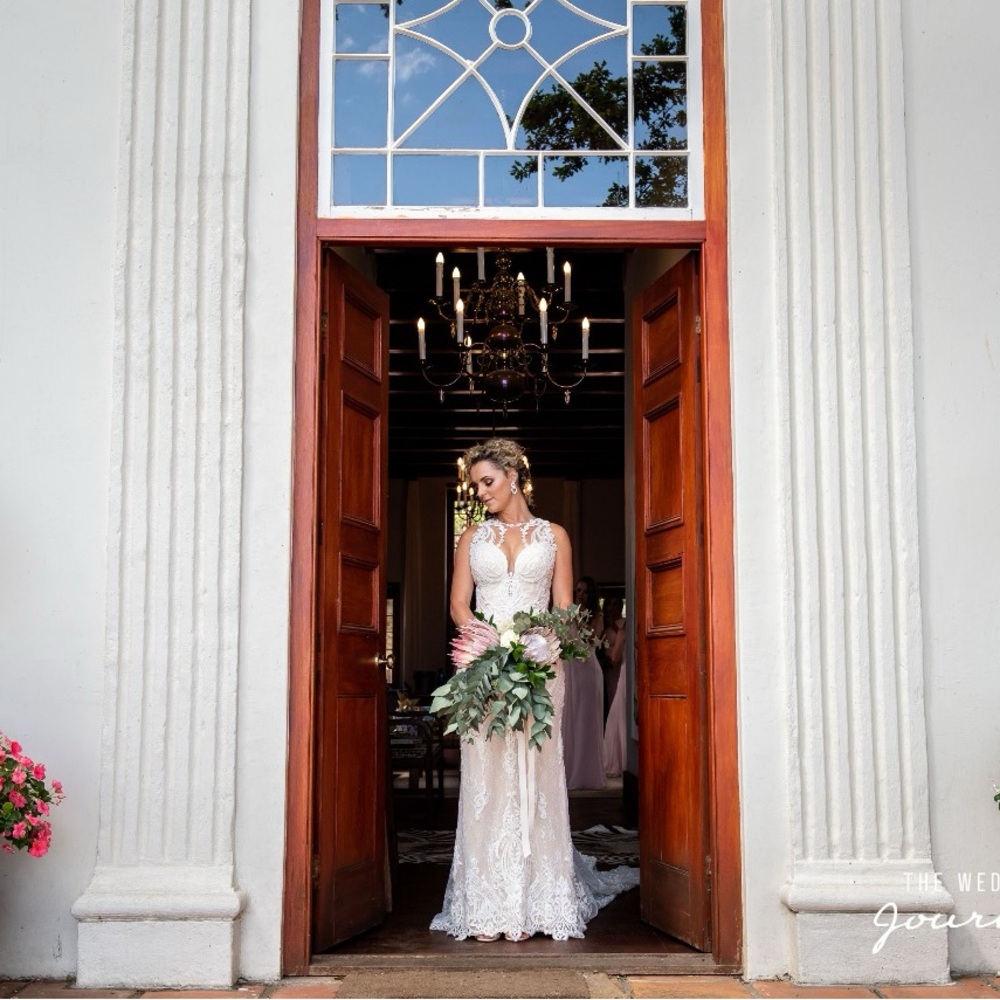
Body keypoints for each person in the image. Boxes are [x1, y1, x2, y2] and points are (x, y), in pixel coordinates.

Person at [431, 438, 639, 942]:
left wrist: (544, 643)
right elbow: (460, 603)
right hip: (484, 666)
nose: (481, 493)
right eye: (475, 485)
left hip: (542, 667)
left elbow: (564, 608)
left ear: (514, 476)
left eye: (488, 482)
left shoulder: (554, 537)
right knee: (485, 779)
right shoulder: (472, 539)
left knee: (535, 777)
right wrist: (482, 637)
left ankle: (538, 899)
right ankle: (486, 903)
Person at [561, 577, 607, 790]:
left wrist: (577, 618)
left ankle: (587, 774)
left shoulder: (597, 616)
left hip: (588, 671)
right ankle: (570, 771)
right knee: (570, 719)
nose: (580, 594)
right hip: (570, 671)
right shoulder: (566, 614)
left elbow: (592, 640)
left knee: (586, 721)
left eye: (585, 592)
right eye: (578, 590)